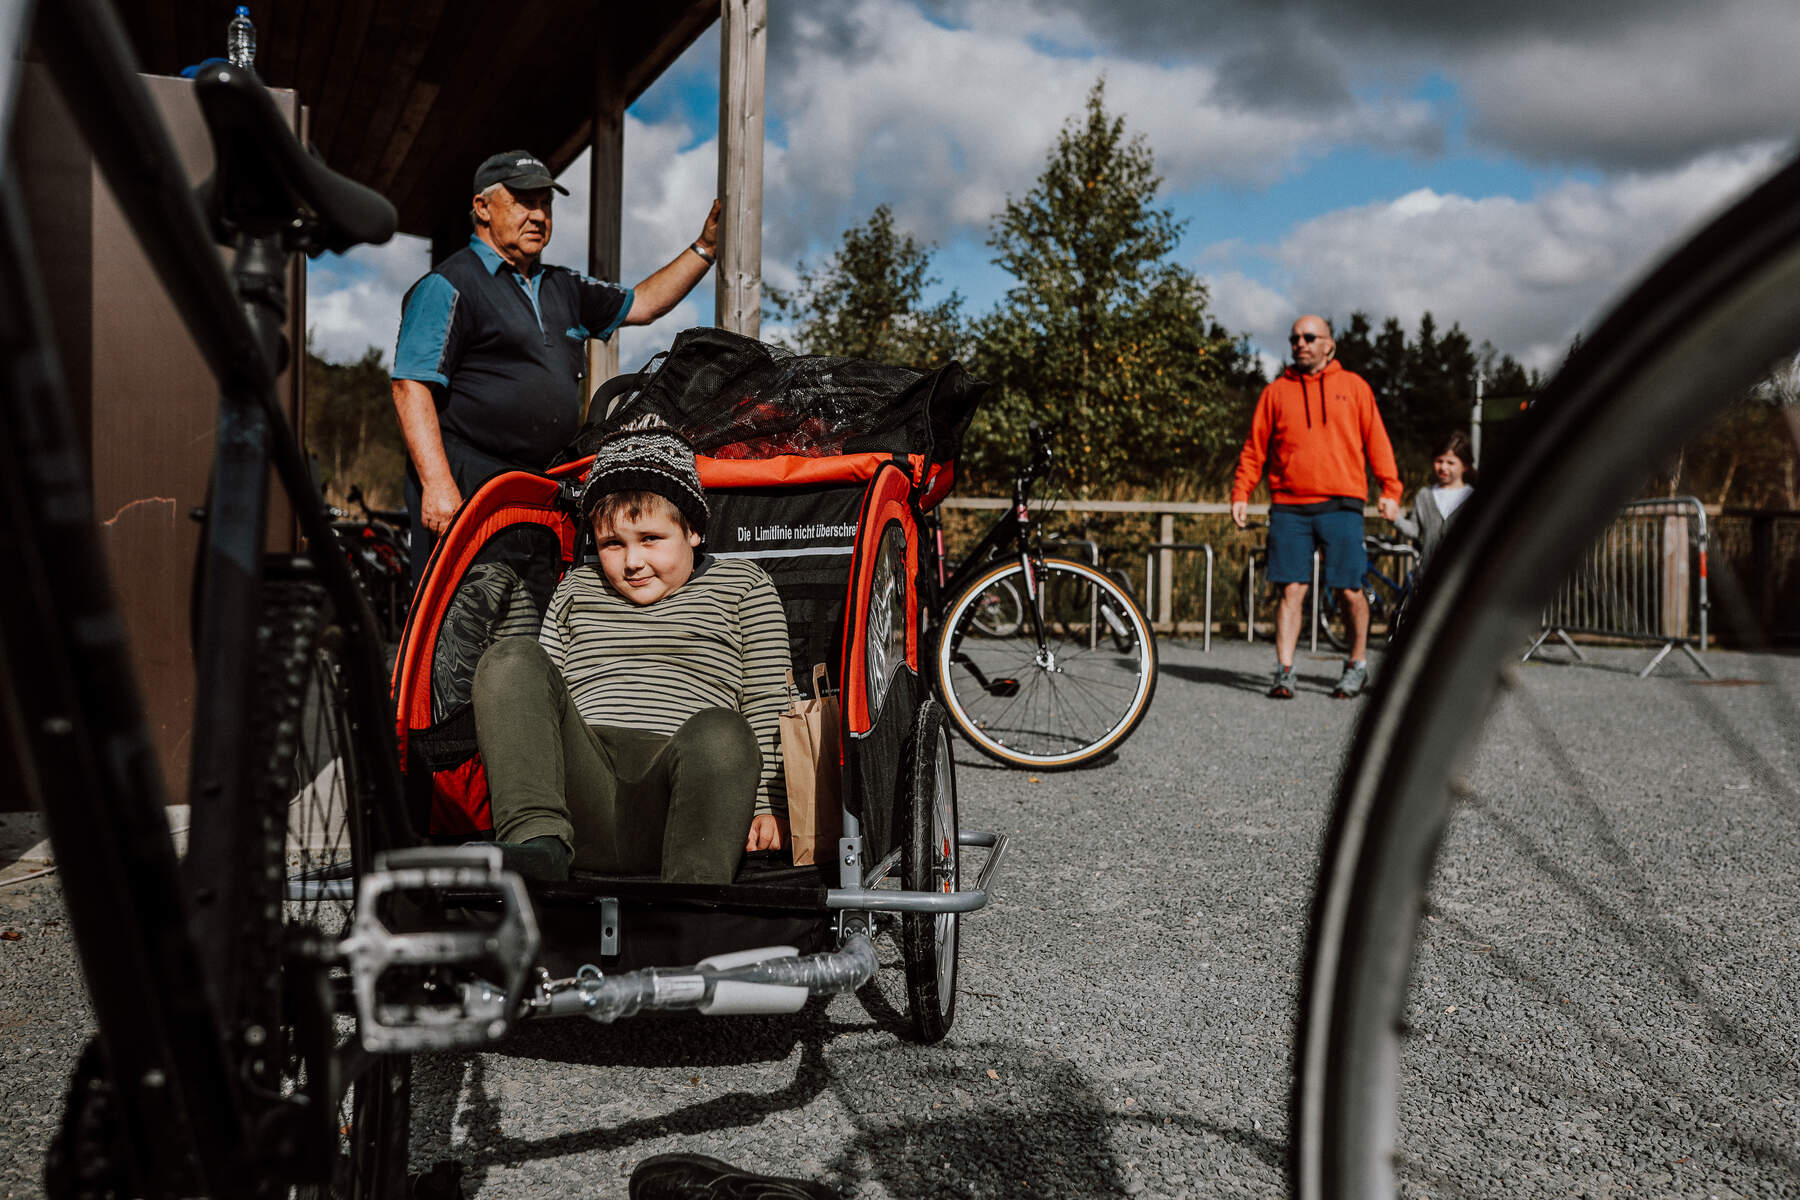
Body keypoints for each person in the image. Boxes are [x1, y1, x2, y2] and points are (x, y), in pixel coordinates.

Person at [469, 421, 790, 884]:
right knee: (510, 660)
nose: (632, 561)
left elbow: (766, 701)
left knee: (724, 732)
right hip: (583, 792)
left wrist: (769, 805)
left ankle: (693, 894)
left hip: (685, 799)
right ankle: (535, 843)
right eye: (612, 544)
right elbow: (540, 705)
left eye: (650, 540)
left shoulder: (743, 586)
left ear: (693, 531)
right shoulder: (578, 587)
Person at [391, 149, 723, 585]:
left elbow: (643, 304)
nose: (538, 215)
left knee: (531, 620)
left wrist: (705, 248)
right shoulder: (449, 284)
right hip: (469, 482)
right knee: (466, 619)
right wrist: (436, 485)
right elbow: (410, 386)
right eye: (524, 201)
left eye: (545, 203)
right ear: (482, 208)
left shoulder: (563, 286)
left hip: (542, 484)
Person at [1230, 314, 1402, 700]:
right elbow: (1254, 450)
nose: (1300, 344)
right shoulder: (1275, 392)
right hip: (1289, 506)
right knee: (1291, 588)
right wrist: (1241, 492)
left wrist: (1390, 489)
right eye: (1294, 339)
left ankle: (1356, 664)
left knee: (1349, 589)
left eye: (1309, 337)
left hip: (1342, 504)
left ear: (1329, 344)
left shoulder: (1354, 387)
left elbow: (1377, 442)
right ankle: (1285, 671)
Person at [1394, 430, 1477, 566]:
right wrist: (1394, 518)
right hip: (1428, 574)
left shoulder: (1472, 496)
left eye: (1450, 463)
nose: (1443, 467)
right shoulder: (1424, 495)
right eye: (1439, 461)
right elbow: (1415, 530)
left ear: (1465, 466)